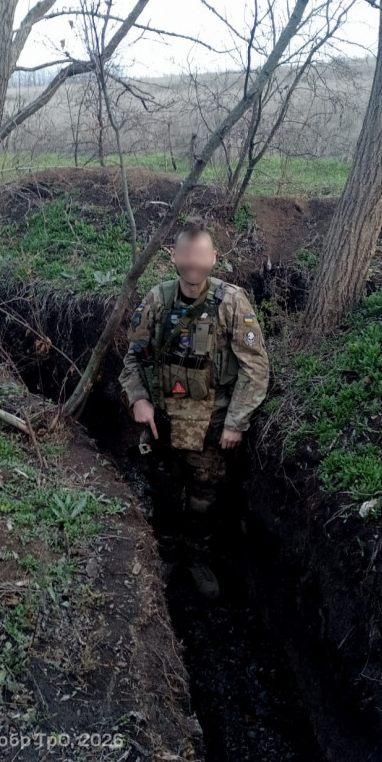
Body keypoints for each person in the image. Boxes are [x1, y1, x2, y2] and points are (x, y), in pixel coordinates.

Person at [118, 217, 270, 599]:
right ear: (173, 256)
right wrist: (138, 399)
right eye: (186, 253)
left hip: (211, 429)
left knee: (204, 501)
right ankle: (167, 557)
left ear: (213, 257)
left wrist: (236, 422)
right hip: (163, 426)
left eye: (201, 254)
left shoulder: (232, 301)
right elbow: (132, 359)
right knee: (166, 497)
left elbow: (256, 367)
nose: (193, 262)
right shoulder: (157, 299)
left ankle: (198, 558)